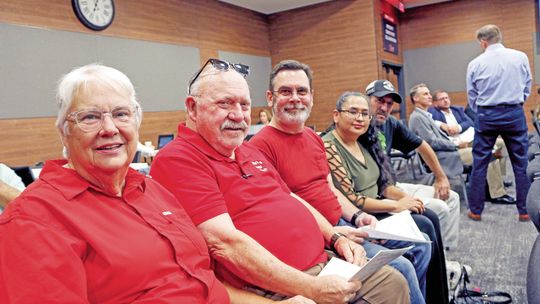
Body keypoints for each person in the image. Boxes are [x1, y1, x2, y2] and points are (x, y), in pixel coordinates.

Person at [0, 63, 311, 304]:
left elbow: (204, 285)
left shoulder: (152, 192)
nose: (110, 129)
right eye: (90, 117)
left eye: (121, 114)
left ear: (136, 122)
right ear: (63, 131)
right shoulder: (34, 220)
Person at [150, 58, 410, 303]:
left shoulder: (246, 149)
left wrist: (335, 238)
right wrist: (312, 288)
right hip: (279, 288)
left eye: (244, 105)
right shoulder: (178, 158)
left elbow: (291, 198)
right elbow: (224, 243)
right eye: (225, 104)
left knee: (395, 281)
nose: (239, 115)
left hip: (324, 261)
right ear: (192, 108)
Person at [250, 60, 429, 304]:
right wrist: (334, 234)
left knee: (421, 244)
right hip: (322, 235)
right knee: (401, 269)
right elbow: (284, 209)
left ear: (311, 97)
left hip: (343, 222)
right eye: (285, 91)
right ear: (270, 98)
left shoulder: (313, 138)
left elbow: (331, 189)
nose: (295, 98)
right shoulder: (259, 147)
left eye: (301, 91)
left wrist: (357, 217)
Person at [365, 80, 453, 303]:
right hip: (381, 195)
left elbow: (423, 146)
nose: (384, 107)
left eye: (389, 103)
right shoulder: (359, 128)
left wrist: (441, 177)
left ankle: (444, 262)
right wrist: (401, 201)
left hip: (391, 187)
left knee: (449, 200)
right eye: (379, 101)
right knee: (431, 215)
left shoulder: (391, 123)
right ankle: (439, 270)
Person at [408, 83, 514, 207]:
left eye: (429, 93)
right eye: (425, 94)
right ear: (415, 98)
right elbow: (432, 142)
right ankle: (496, 194)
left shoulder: (424, 115)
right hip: (442, 157)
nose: (430, 96)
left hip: (448, 151)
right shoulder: (417, 117)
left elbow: (466, 124)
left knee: (492, 149)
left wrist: (457, 143)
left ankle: (491, 188)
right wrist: (456, 144)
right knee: (487, 154)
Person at [466, 24, 531, 221]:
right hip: (514, 112)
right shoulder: (520, 57)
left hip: (487, 115)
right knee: (521, 163)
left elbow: (472, 96)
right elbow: (527, 85)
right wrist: (515, 105)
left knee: (480, 163)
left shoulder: (475, 63)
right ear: (499, 38)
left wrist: (484, 112)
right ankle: (525, 211)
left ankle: (476, 211)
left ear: (483, 42)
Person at [430, 89, 512, 199]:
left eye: (447, 98)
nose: (445, 101)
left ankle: (498, 179)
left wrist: (458, 127)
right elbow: (430, 119)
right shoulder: (433, 112)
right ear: (435, 103)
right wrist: (442, 125)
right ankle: (497, 194)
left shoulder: (457, 109)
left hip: (468, 139)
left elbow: (469, 122)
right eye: (441, 99)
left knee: (501, 143)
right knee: (489, 153)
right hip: (455, 145)